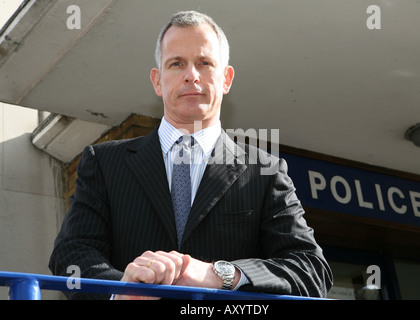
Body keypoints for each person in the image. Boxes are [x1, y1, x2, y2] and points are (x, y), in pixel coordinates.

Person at [49, 10, 333, 300]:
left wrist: (220, 274)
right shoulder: (104, 163)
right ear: (157, 81)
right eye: (176, 63)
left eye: (204, 63)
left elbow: (310, 269)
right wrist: (121, 291)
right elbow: (71, 253)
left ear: (226, 79)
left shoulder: (265, 170)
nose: (191, 76)